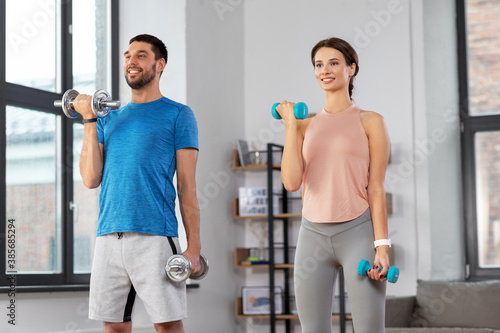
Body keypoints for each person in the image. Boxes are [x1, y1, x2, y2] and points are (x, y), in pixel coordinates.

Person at [73, 34, 201, 333]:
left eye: (141, 55)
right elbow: (91, 178)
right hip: (108, 235)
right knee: (114, 327)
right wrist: (89, 120)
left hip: (155, 236)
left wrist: (193, 247)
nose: (131, 61)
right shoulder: (107, 117)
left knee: (167, 326)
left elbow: (187, 187)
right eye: (128, 55)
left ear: (160, 64)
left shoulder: (178, 114)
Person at [275, 37, 391, 333]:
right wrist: (290, 125)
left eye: (334, 63)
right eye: (318, 64)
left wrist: (382, 247)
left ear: (351, 69)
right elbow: (290, 182)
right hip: (312, 234)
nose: (325, 70)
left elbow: (375, 188)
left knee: (369, 329)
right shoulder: (304, 124)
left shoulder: (370, 121)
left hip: (358, 232)